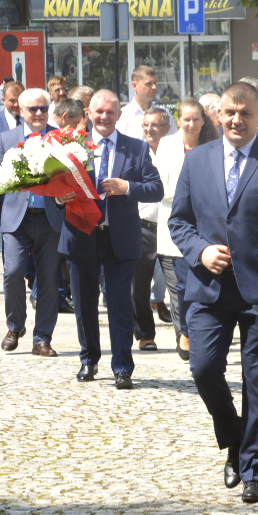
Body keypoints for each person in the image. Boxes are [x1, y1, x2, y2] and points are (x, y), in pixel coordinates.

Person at [168, 82, 258, 504]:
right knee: (203, 368)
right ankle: (232, 435)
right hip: (209, 288)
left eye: (245, 114)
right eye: (230, 112)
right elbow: (179, 222)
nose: (235, 119)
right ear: (220, 114)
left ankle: (252, 472)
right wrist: (200, 250)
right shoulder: (197, 162)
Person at [62, 90, 164, 389]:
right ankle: (88, 359)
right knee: (84, 302)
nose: (104, 117)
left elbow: (156, 188)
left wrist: (127, 186)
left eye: (110, 112)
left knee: (120, 304)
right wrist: (59, 199)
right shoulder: (70, 147)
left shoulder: (136, 148)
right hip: (81, 234)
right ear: (88, 113)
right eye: (99, 112)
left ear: (119, 115)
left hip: (119, 235)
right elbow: (53, 185)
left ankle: (122, 367)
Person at [0, 88, 66, 357]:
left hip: (50, 219)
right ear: (21, 111)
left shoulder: (60, 139)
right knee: (13, 273)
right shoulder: (6, 138)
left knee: (47, 280)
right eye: (33, 109)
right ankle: (15, 326)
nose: (39, 113)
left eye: (44, 108)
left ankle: (42, 338)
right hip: (15, 220)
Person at [157, 101, 217, 359]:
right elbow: (160, 184)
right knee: (181, 286)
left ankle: (195, 333)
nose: (191, 124)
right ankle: (186, 332)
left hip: (206, 224)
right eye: (186, 119)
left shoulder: (214, 145)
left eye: (196, 119)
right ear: (178, 121)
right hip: (175, 221)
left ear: (203, 121)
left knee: (200, 282)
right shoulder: (167, 145)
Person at [132, 108, 174, 350]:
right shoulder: (137, 154)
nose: (149, 129)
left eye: (155, 125)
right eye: (146, 125)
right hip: (143, 226)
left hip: (172, 226)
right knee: (138, 284)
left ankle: (184, 335)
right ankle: (145, 334)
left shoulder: (176, 154)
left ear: (167, 129)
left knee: (177, 283)